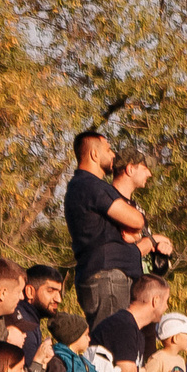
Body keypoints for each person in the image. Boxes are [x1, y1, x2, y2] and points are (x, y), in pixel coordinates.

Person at [64, 131, 166, 325]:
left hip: (110, 277)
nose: (113, 155)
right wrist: (138, 227)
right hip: (108, 279)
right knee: (112, 344)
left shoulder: (85, 186)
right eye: (109, 149)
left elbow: (132, 228)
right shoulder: (90, 185)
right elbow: (136, 221)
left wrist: (137, 237)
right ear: (94, 154)